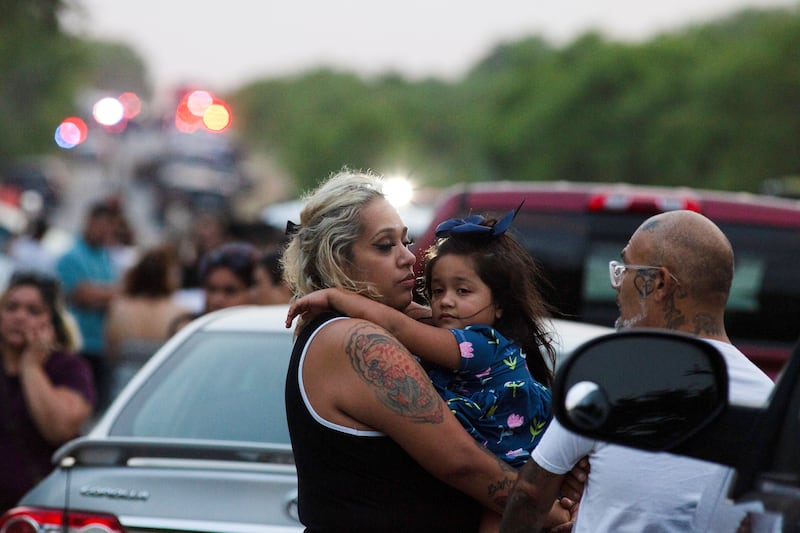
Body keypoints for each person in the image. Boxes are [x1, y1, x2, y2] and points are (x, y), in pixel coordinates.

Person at [281, 169, 575, 533]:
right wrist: (565, 517)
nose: (408, 257)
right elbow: (462, 464)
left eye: (406, 241)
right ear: (338, 260)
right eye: (385, 245)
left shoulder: (374, 326)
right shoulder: (356, 340)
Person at [500, 210, 776, 533]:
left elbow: (530, 494)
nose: (616, 285)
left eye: (624, 270)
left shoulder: (613, 379)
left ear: (658, 283)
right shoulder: (769, 399)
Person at [0, 271, 95, 513]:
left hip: (36, 511)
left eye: (33, 311)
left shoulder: (68, 368)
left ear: (52, 322)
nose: (19, 317)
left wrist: (30, 367)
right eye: (11, 307)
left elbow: (60, 428)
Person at [55, 200, 119, 413]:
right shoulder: (71, 256)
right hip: (78, 345)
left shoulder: (106, 257)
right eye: (101, 226)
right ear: (89, 223)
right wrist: (107, 293)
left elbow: (117, 293)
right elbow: (82, 294)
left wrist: (101, 293)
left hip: (102, 346)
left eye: (108, 227)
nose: (104, 232)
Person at [105, 244, 189, 398]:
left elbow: (111, 354)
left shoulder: (119, 308)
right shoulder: (179, 312)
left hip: (123, 388)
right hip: (162, 388)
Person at [168, 241, 258, 334]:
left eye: (230, 291)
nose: (217, 300)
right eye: (212, 289)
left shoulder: (264, 332)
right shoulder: (189, 330)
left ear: (254, 293)